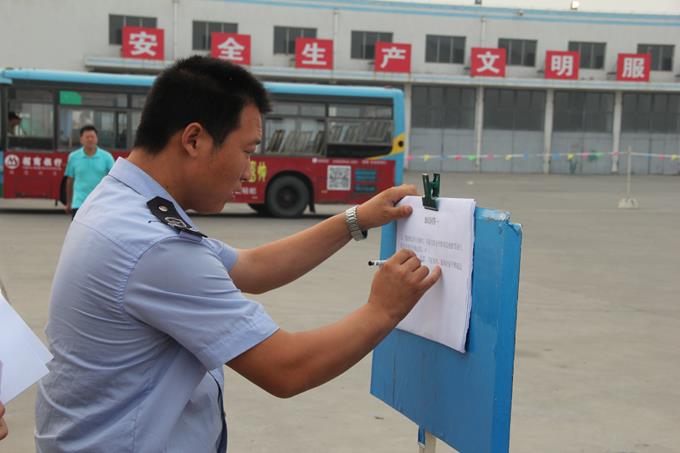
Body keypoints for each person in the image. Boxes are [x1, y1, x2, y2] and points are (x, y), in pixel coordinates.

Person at [35, 56, 441, 453]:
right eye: (247, 151)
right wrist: (383, 309)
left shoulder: (121, 201)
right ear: (194, 140)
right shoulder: (154, 246)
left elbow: (251, 267)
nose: (249, 171)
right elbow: (287, 368)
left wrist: (356, 219)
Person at [63, 125, 115, 218]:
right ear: (81, 139)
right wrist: (68, 203)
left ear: (97, 138)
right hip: (79, 204)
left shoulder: (107, 157)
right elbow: (70, 180)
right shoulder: (73, 157)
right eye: (87, 137)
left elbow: (114, 180)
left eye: (92, 137)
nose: (90, 139)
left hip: (100, 204)